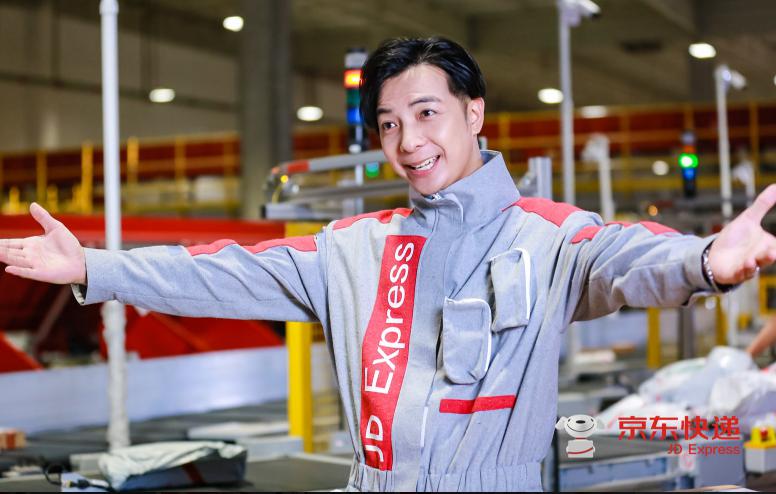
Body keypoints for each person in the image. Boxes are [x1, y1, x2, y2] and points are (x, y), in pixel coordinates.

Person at [1, 36, 775, 491]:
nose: (408, 142)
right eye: (391, 123)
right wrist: (95, 268)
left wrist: (707, 258)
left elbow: (626, 257)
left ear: (474, 112)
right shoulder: (354, 249)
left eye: (427, 114)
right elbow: (222, 271)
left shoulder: (546, 236)